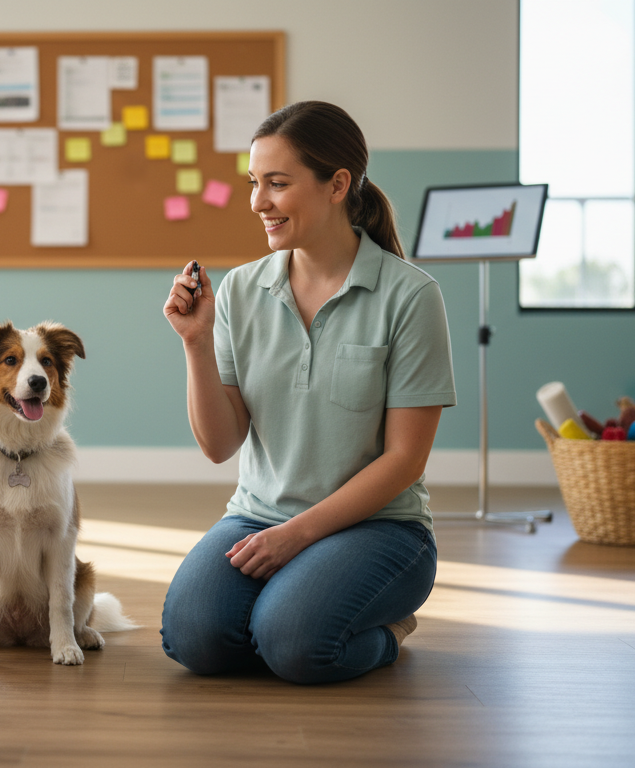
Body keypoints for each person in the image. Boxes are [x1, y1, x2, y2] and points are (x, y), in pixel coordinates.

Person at [159, 101, 455, 684]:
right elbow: (221, 446)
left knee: (295, 646)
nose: (257, 202)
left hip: (380, 527)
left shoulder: (411, 297)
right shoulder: (241, 292)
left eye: (277, 184)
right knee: (194, 639)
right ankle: (291, 608)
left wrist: (297, 537)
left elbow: (404, 460)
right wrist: (194, 342)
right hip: (257, 517)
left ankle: (387, 633)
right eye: (253, 184)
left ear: (337, 184)